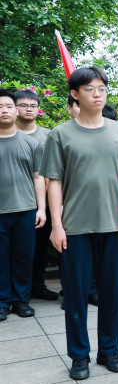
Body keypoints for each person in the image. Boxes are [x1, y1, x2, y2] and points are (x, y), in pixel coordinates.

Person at [40, 66, 118, 379]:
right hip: (75, 228)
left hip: (113, 225)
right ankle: (79, 356)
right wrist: (57, 225)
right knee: (77, 295)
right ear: (75, 93)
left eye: (102, 89)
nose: (97, 94)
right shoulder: (60, 134)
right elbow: (53, 180)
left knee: (111, 293)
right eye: (91, 89)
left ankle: (109, 351)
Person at [0, 89, 46, 322]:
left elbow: (39, 178)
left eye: (8, 106)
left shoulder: (30, 143)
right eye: (0, 107)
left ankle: (21, 301)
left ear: (15, 110)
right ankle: (2, 301)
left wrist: (41, 209)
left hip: (26, 210)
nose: (4, 110)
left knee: (23, 257)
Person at [14, 89, 59, 301]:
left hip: (44, 203)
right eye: (23, 105)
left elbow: (53, 171)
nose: (28, 109)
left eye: (33, 106)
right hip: (15, 202)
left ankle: (37, 286)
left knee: (40, 247)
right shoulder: (7, 132)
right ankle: (14, 291)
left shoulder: (47, 134)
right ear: (14, 108)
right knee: (14, 250)